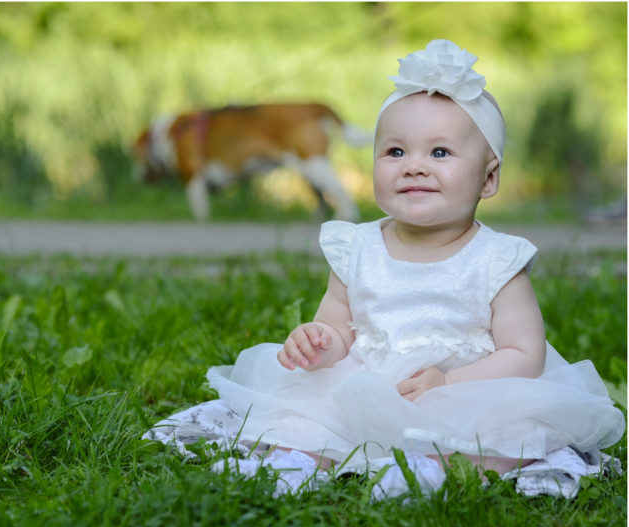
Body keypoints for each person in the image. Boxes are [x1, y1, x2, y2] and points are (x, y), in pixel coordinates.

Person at [143, 39, 625, 499]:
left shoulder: (497, 261)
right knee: (313, 411)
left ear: (489, 176)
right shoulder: (357, 247)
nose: (413, 166)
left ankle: (432, 470)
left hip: (467, 386)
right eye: (395, 151)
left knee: (506, 434)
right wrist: (318, 342)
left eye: (440, 153)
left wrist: (447, 383)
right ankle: (294, 462)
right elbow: (337, 326)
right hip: (371, 380)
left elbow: (524, 354)